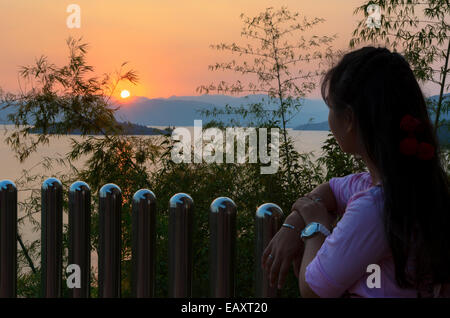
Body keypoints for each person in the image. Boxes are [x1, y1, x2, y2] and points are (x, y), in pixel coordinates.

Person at [262, 46, 450, 298]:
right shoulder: (405, 185)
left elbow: (312, 287)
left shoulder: (376, 207)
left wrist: (314, 227)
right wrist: (295, 222)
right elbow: (329, 190)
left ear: (349, 119)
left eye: (330, 107)